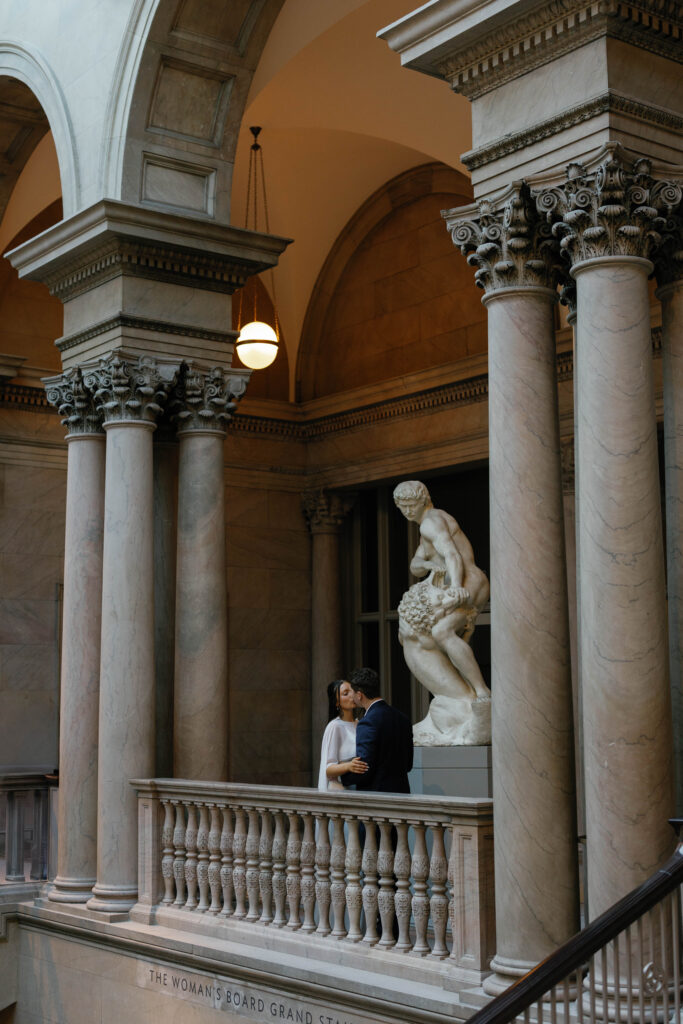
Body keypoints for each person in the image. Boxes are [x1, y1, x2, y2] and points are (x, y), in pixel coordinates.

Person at [350, 668, 413, 793]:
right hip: (402, 793)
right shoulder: (403, 718)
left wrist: (342, 775)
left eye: (352, 692)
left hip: (376, 796)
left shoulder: (367, 722)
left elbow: (364, 768)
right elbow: (408, 764)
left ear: (359, 695)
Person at [317, 679, 368, 791]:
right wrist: (348, 766)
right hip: (342, 790)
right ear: (337, 702)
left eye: (352, 690)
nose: (352, 695)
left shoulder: (359, 724)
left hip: (361, 787)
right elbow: (328, 768)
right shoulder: (335, 726)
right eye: (346, 693)